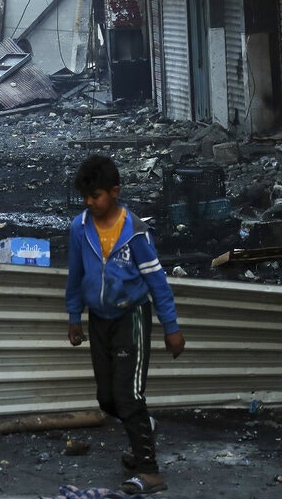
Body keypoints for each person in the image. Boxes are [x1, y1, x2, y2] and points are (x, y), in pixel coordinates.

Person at [65, 154, 186, 495]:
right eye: (85, 198)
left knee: (129, 395)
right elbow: (75, 277)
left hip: (131, 316)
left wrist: (172, 328)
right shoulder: (80, 228)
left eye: (96, 196)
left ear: (115, 192)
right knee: (107, 399)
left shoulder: (136, 233)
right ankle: (143, 427)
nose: (90, 203)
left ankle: (149, 470)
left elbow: (158, 283)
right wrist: (74, 316)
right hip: (99, 319)